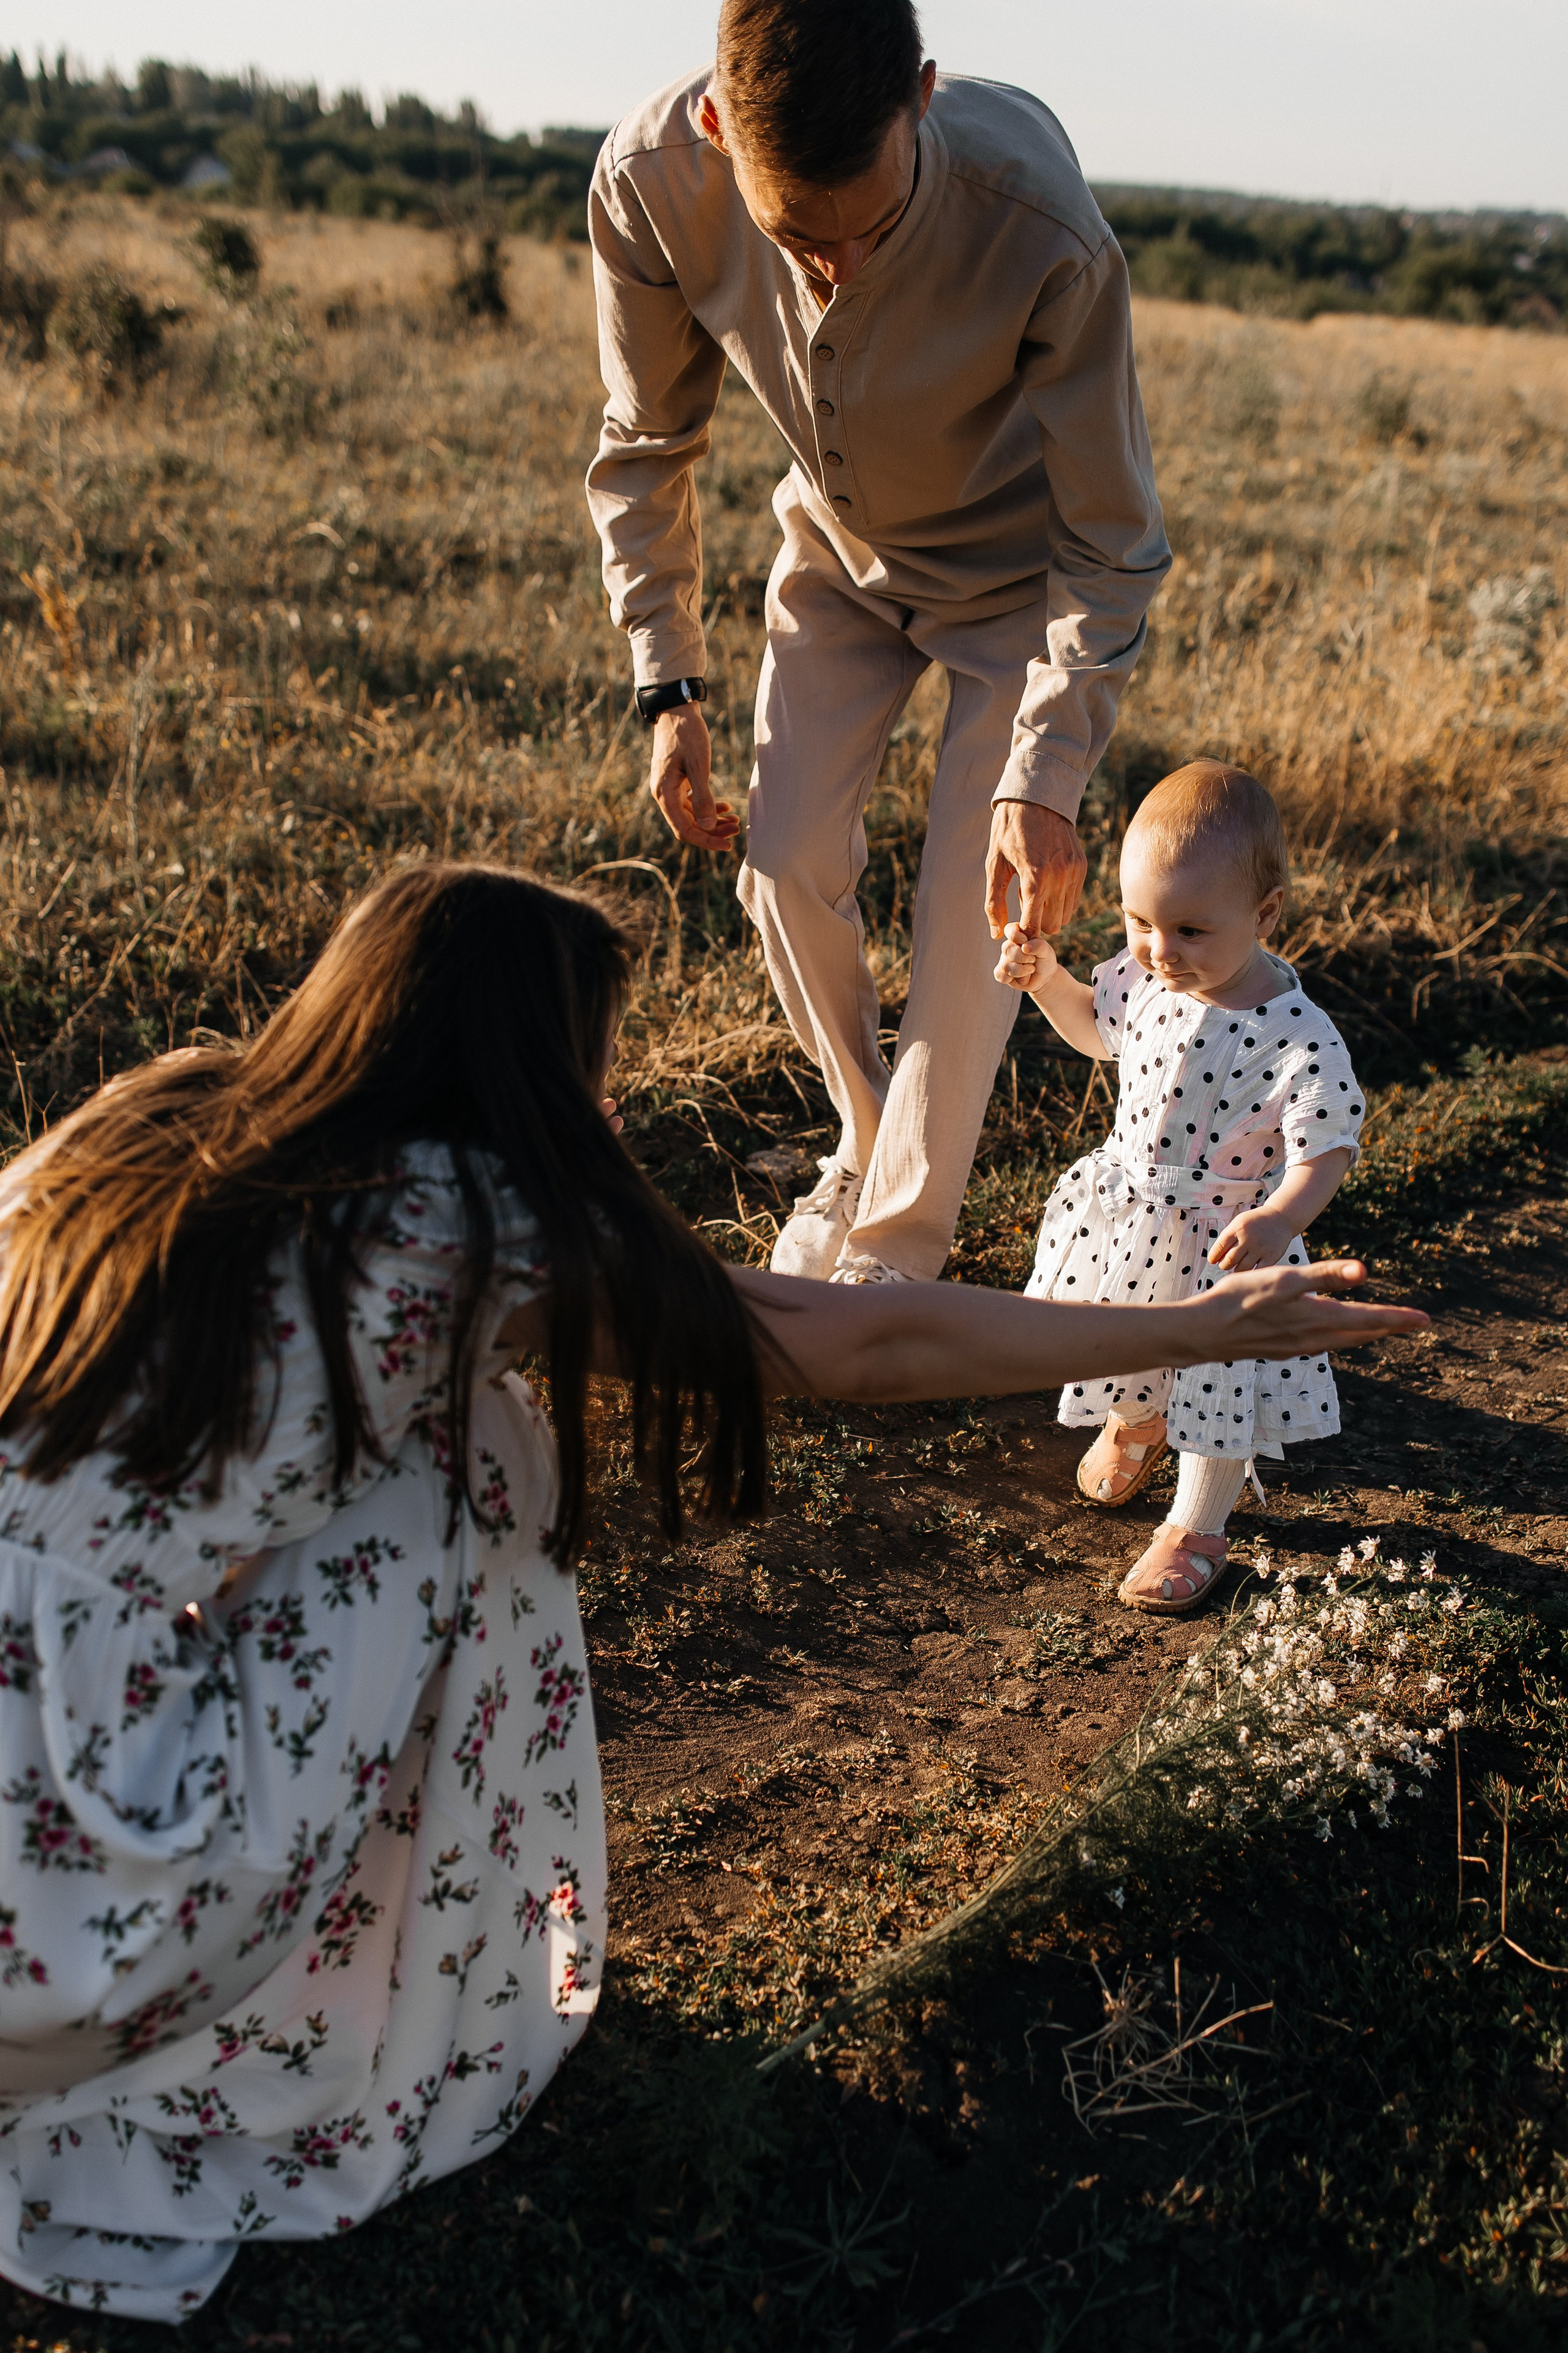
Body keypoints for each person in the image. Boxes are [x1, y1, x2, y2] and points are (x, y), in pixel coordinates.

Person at [0, 864, 1419, 2320]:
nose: (603, 1093)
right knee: (468, 1460)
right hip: (67, 1900)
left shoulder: (147, 1120)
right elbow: (861, 1344)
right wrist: (1194, 1326)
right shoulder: (458, 1225)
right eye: (589, 1059)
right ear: (520, 1061)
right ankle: (404, 1972)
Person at [586, 0, 1170, 1286]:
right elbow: (645, 445)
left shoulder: (1043, 223)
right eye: (800, 237)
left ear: (921, 96)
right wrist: (667, 684)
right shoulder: (646, 186)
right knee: (783, 858)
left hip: (1020, 586)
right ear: (717, 128)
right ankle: (860, 1139)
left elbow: (1114, 541)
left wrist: (1046, 774)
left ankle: (894, 1260)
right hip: (837, 557)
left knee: (975, 915)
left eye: (876, 226)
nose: (840, 268)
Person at [997, 761, 1368, 1614]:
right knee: (1122, 1333)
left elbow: (1328, 1146)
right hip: (1134, 1215)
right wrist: (1047, 980)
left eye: (1191, 930)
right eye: (1140, 922)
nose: (1160, 950)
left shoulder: (1298, 1035)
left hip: (1227, 1240)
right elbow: (1097, 1030)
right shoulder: (1146, 978)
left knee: (1218, 1378)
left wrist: (1280, 1219)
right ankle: (1138, 1417)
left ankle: (1197, 1522)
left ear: (1264, 914)